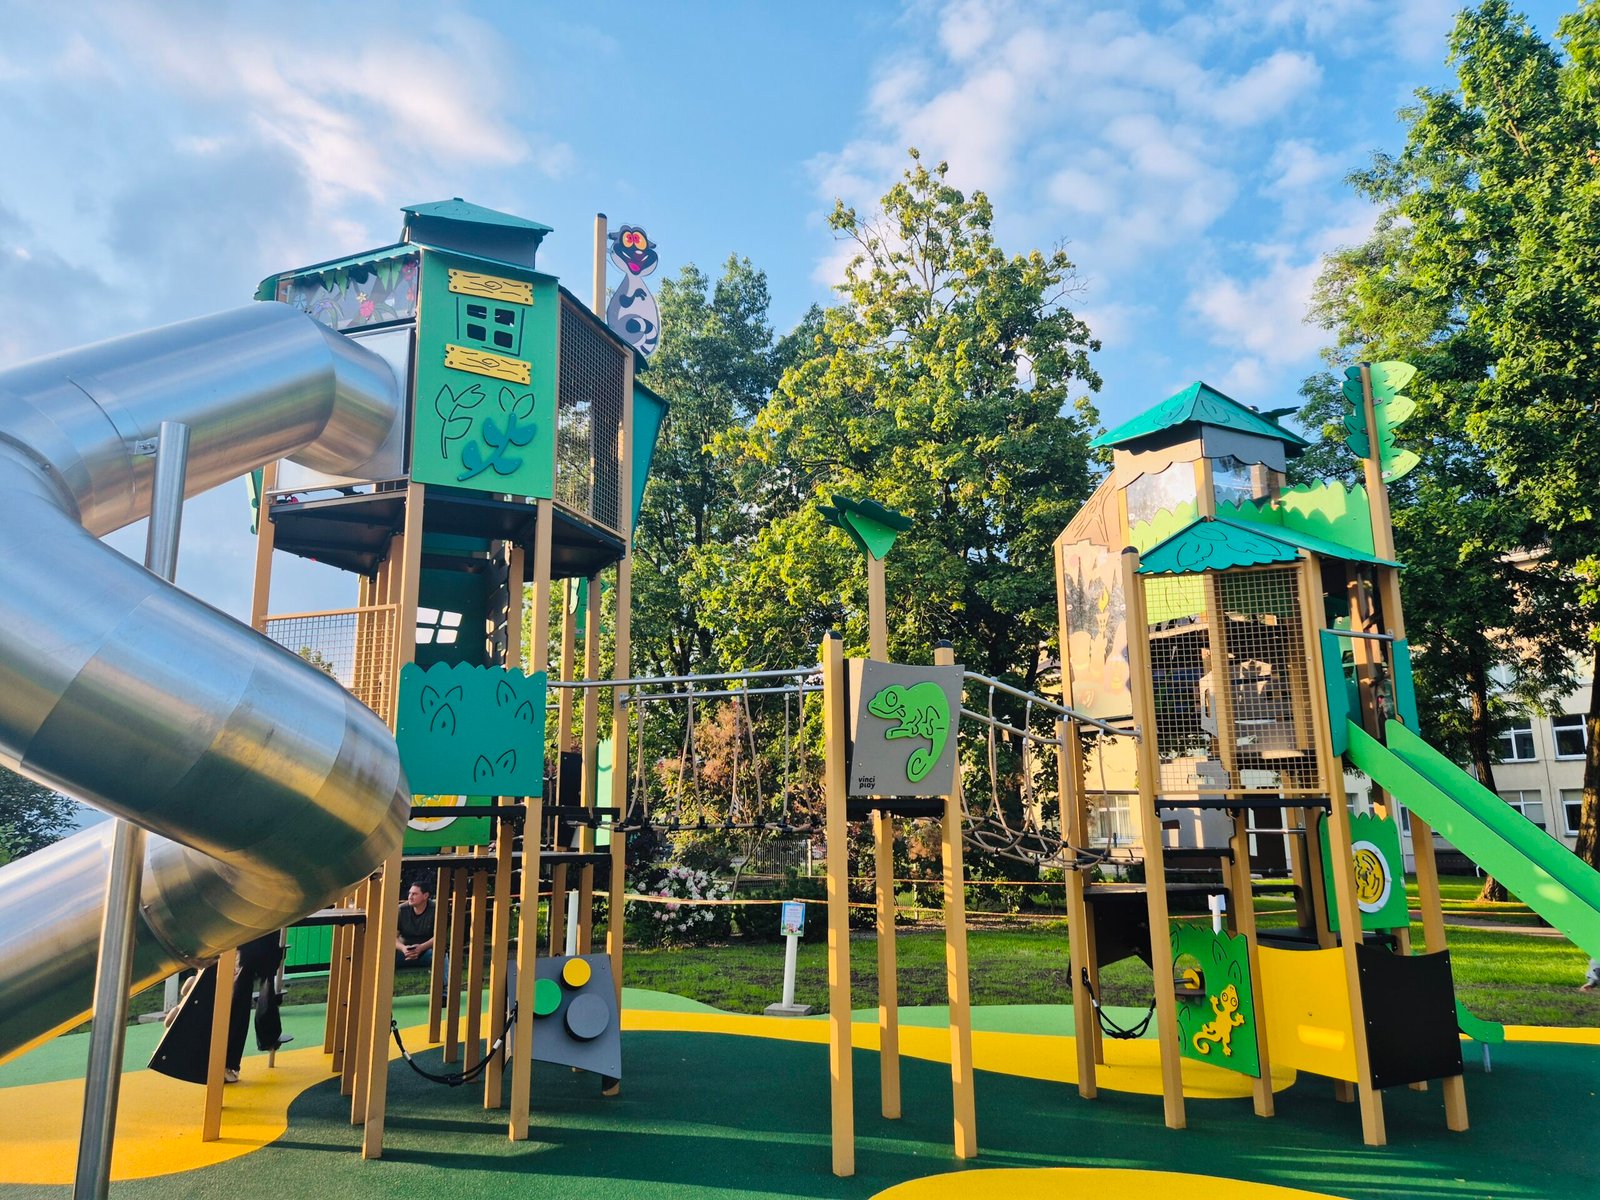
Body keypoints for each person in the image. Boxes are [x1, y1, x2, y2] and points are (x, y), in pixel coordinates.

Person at [224, 931, 293, 1083]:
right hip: (264, 934)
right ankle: (268, 1038)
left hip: (248, 934)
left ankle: (228, 1062)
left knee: (243, 992)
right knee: (264, 987)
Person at [396, 879, 436, 971]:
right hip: (403, 952)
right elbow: (392, 936)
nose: (410, 897)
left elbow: (439, 937)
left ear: (425, 896)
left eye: (414, 894)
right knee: (384, 953)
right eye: (410, 893)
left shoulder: (435, 910)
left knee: (442, 954)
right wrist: (403, 948)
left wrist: (421, 948)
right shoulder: (401, 910)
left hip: (426, 951)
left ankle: (444, 984)